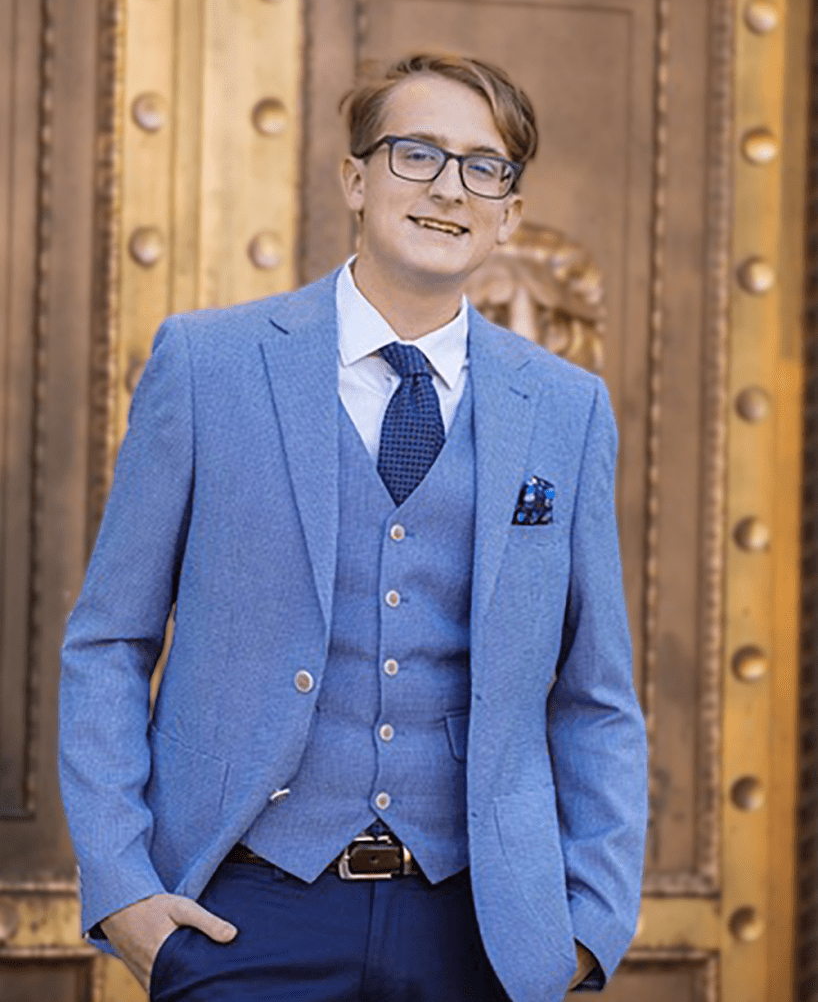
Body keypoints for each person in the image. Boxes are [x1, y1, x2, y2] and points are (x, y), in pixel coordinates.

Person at [59, 52, 648, 1002]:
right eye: (417, 154)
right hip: (243, 910)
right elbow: (108, 642)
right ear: (356, 180)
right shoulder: (208, 366)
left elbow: (597, 694)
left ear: (509, 213)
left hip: (483, 926)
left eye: (483, 167)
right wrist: (123, 886)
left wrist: (590, 922)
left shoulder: (567, 409)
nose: (448, 188)